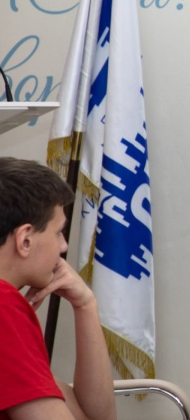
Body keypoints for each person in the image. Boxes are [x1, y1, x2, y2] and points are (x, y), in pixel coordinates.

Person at [0, 157, 115, 420]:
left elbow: (95, 415)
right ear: (25, 240)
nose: (63, 246)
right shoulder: (4, 307)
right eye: (58, 233)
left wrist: (85, 305)